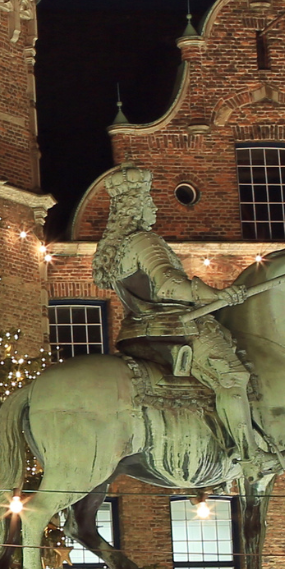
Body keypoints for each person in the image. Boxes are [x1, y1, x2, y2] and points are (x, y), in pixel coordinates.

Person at [93, 164, 260, 468]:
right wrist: (218, 294)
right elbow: (168, 285)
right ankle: (249, 454)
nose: (153, 205)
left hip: (138, 330)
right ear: (137, 204)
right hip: (173, 327)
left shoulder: (117, 247)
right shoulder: (144, 241)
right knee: (233, 376)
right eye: (148, 199)